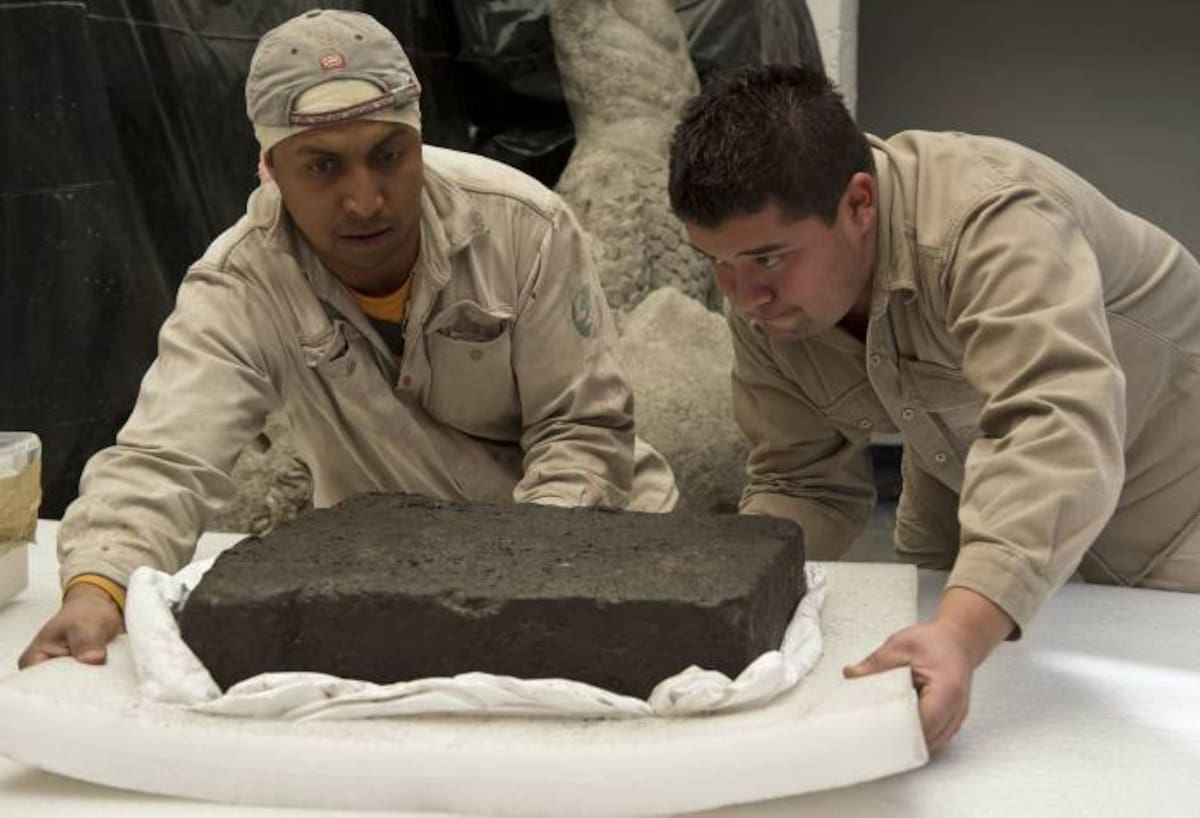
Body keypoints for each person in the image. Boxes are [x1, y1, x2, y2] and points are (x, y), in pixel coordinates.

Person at [19, 9, 677, 670]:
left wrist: (515, 585)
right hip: (405, 583)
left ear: (419, 143)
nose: (365, 200)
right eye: (323, 168)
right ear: (270, 169)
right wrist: (100, 584)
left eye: (387, 157)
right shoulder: (242, 285)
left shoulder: (524, 229)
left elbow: (582, 434)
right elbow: (167, 457)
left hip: (593, 554)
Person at [667, 64, 1200, 751]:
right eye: (718, 262)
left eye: (769, 258)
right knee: (961, 740)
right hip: (965, 489)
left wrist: (961, 630)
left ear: (859, 204)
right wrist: (717, 599)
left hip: (1171, 516)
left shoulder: (993, 222)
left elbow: (1054, 422)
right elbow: (800, 480)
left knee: (1148, 754)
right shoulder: (766, 303)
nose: (743, 297)